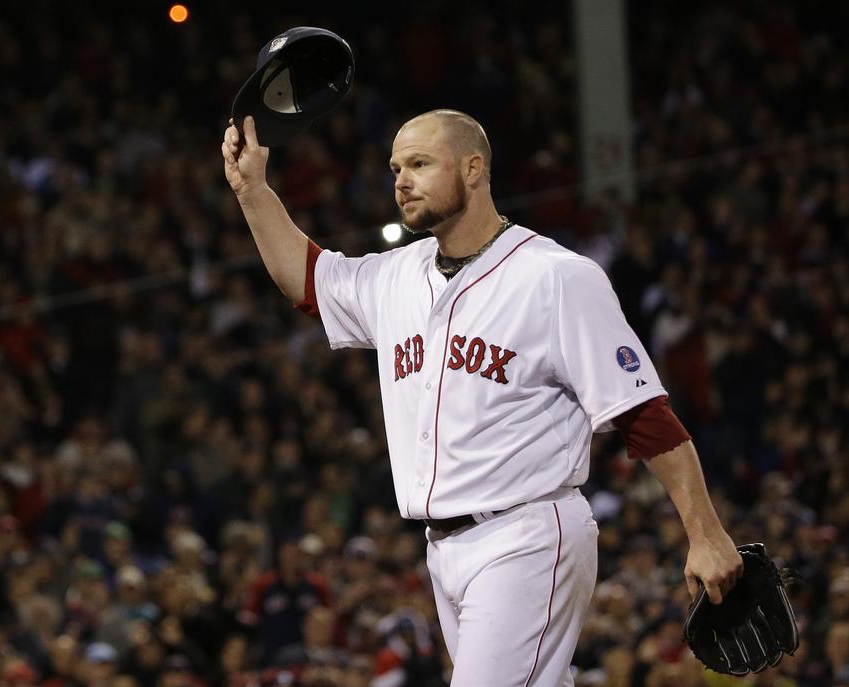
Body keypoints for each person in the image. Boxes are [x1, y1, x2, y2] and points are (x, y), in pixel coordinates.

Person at [221, 109, 743, 686]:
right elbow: (309, 278)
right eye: (396, 167)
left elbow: (643, 414)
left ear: (474, 169)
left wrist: (705, 532)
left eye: (420, 163)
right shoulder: (397, 275)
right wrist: (252, 191)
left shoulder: (555, 276)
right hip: (443, 547)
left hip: (526, 534)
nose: (401, 179)